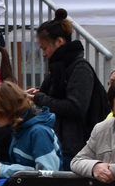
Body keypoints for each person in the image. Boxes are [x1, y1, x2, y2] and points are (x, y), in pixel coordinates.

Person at [30, 11, 106, 162]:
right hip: (63, 144)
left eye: (44, 48)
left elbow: (75, 106)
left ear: (59, 42)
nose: (43, 54)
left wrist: (41, 98)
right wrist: (39, 94)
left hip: (75, 148)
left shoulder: (79, 68)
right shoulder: (60, 68)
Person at [0, 82, 61, 179]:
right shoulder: (19, 129)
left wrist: (2, 169)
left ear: (5, 109)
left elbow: (47, 173)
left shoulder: (39, 132)